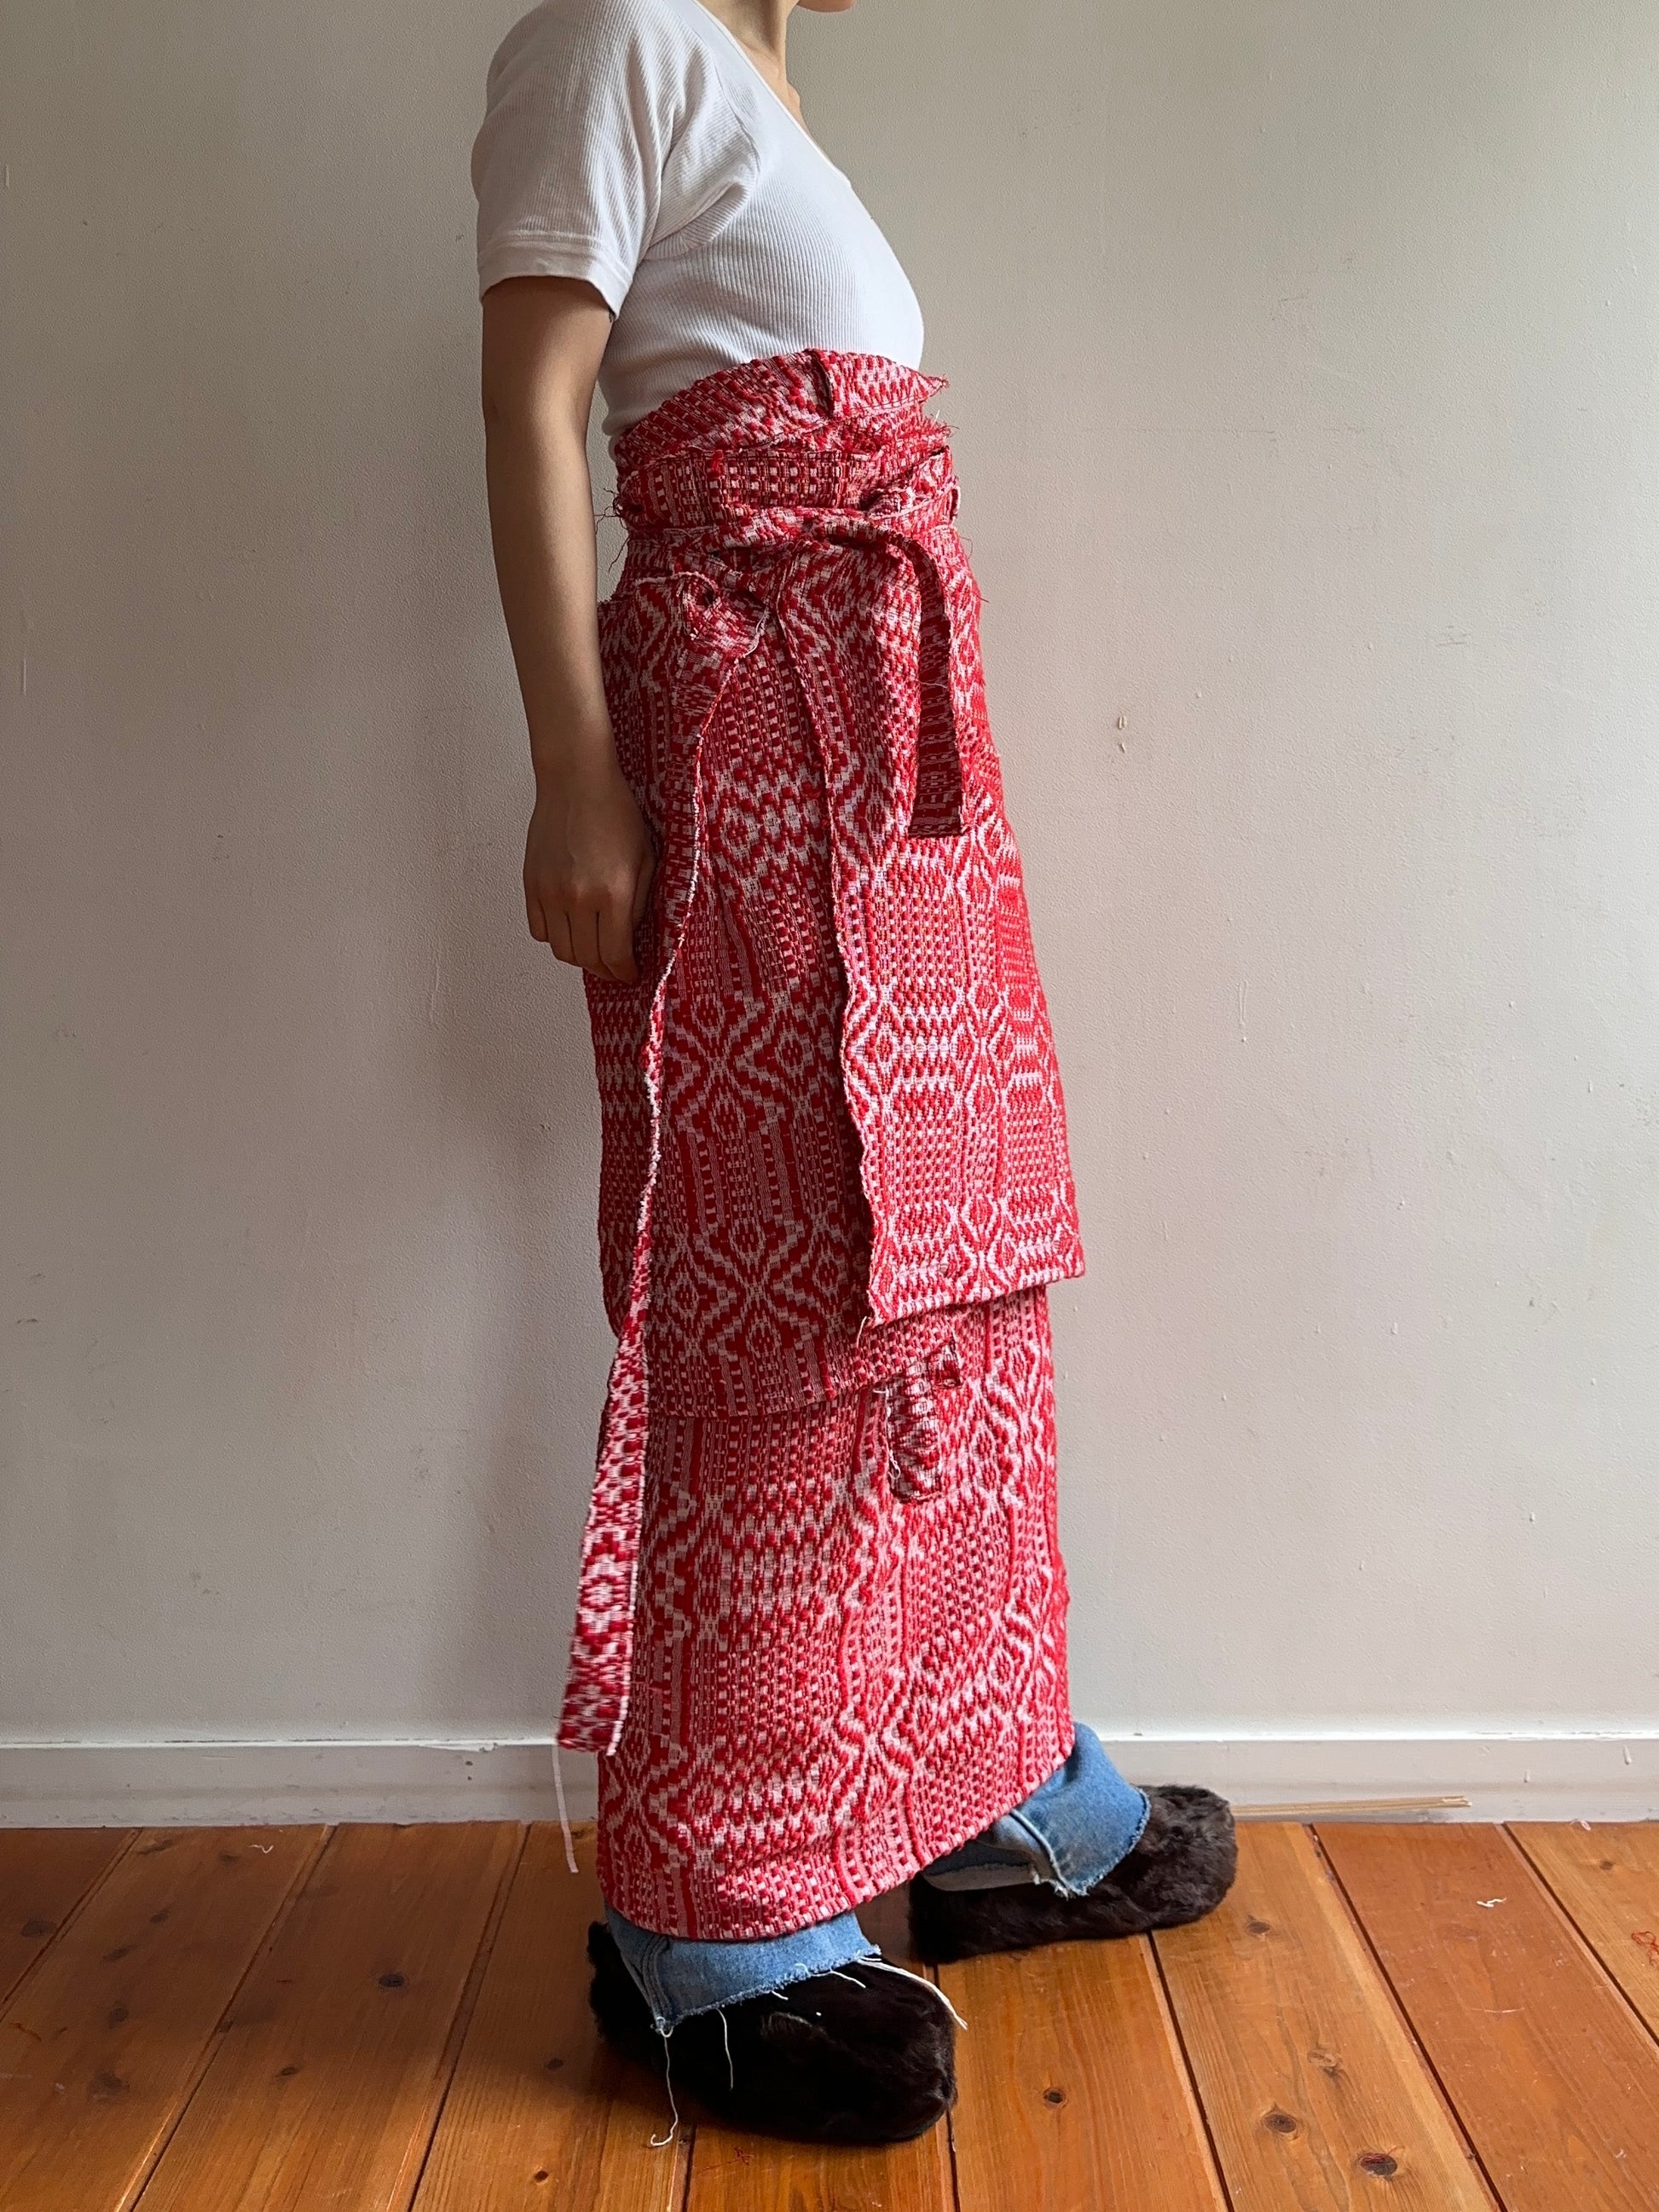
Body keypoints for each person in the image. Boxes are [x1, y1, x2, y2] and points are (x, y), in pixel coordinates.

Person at [471, 0, 1235, 2145]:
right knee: (786, 1290)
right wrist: (575, 776)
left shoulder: (773, 88)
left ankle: (987, 1797)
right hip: (752, 744)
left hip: (896, 764)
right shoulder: (617, 32)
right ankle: (707, 1918)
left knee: (960, 1294)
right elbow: (527, 404)